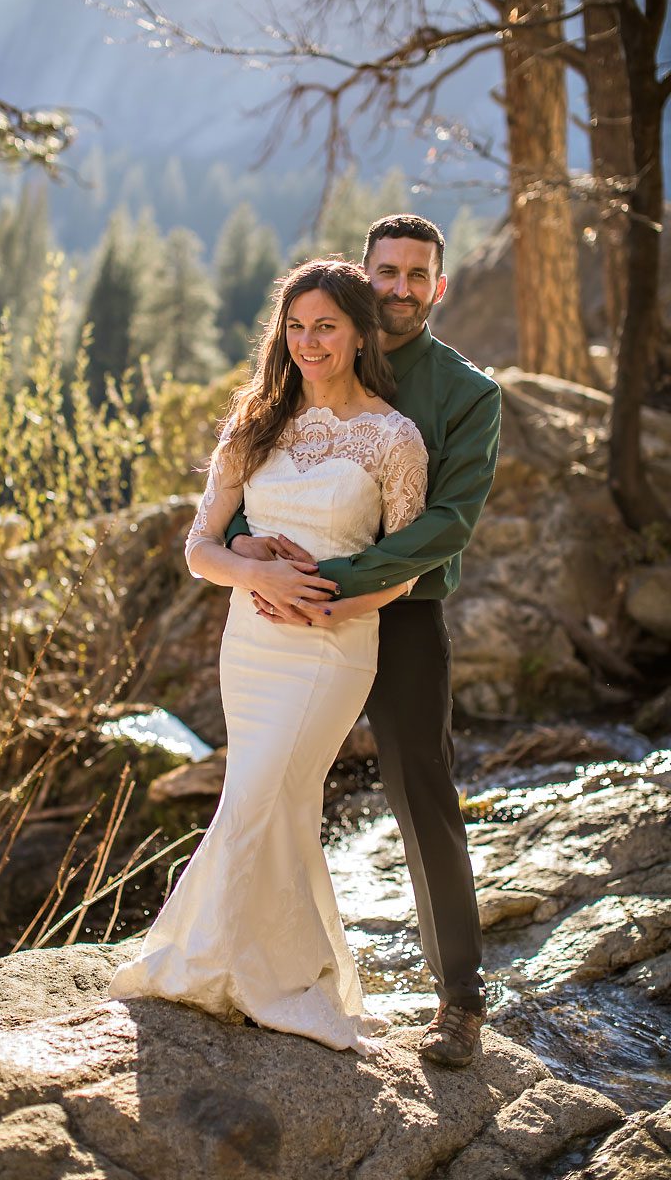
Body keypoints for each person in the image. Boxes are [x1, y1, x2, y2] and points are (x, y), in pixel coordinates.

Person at [109, 259, 429, 1057]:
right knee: (277, 804)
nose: (310, 341)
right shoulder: (257, 422)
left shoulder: (395, 438)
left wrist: (324, 604)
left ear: (359, 333)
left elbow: (408, 565)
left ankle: (209, 962)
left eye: (326, 326)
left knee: (258, 794)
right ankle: (297, 971)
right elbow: (199, 548)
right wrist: (253, 570)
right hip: (250, 644)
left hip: (333, 647)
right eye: (296, 326)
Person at [227, 215, 501, 1068]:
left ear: (438, 288)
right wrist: (252, 557)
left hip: (403, 620)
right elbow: (250, 487)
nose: (400, 287)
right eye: (387, 271)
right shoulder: (313, 360)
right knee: (269, 783)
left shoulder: (466, 394)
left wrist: (332, 586)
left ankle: (460, 1000)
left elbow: (449, 524)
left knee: (423, 793)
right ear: (364, 271)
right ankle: (258, 964)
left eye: (418, 275)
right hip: (282, 623)